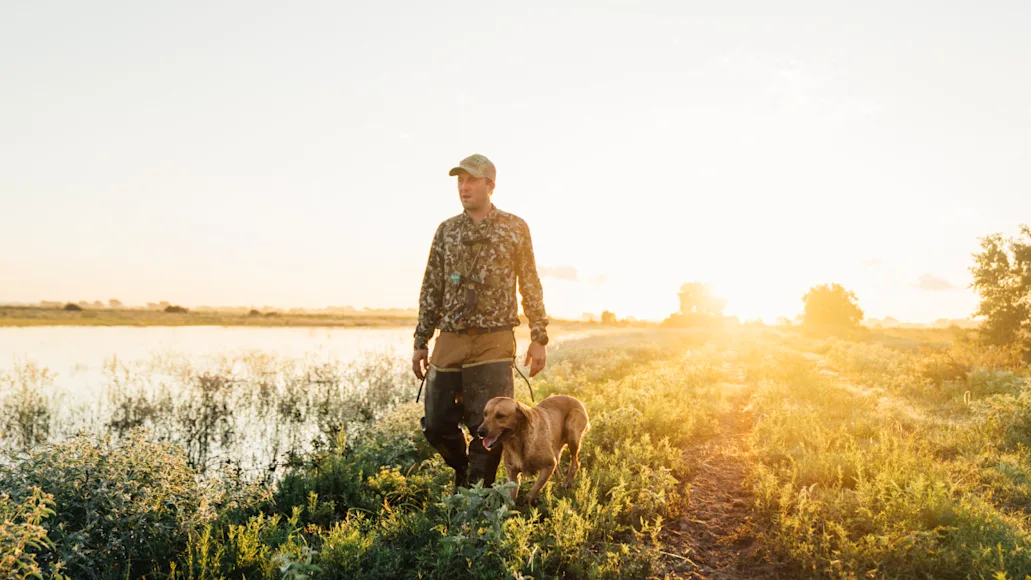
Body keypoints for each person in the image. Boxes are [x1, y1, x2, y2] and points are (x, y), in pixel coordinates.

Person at [412, 153, 550, 490]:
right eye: (460, 180)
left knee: (488, 423)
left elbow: (529, 281)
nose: (464, 186)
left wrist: (538, 335)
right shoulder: (447, 231)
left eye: (472, 180)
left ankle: (476, 494)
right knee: (436, 423)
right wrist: (421, 340)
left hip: (495, 339)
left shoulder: (514, 227)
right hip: (451, 337)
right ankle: (462, 468)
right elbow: (432, 285)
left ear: (490, 185)